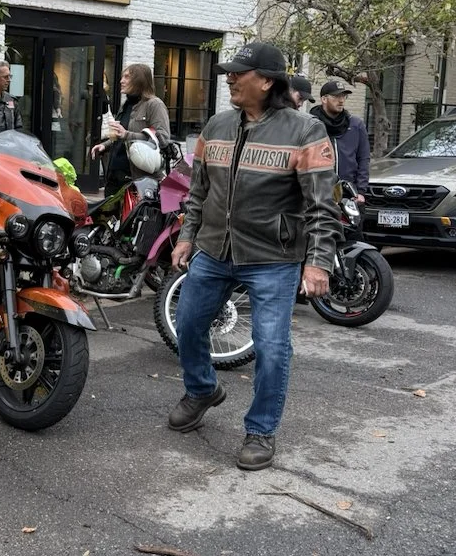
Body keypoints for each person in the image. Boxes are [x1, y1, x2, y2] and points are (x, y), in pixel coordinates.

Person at [168, 41, 340, 471]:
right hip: (213, 250)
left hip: (273, 258)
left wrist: (318, 262)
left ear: (266, 81)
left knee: (271, 347)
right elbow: (198, 191)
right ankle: (202, 390)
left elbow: (322, 206)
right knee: (187, 324)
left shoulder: (305, 131)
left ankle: (261, 429)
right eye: (228, 72)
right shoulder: (217, 125)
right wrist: (188, 236)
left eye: (238, 73)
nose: (229, 79)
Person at [91, 63, 171, 196]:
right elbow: (120, 136)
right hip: (114, 177)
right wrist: (105, 145)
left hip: (138, 181)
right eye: (122, 77)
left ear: (140, 80)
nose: (121, 81)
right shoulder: (126, 105)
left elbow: (163, 138)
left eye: (127, 77)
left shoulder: (154, 105)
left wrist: (127, 135)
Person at [311, 80, 371, 203]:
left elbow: (364, 159)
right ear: (324, 99)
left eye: (344, 96)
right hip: (317, 193)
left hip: (349, 194)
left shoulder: (356, 125)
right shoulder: (311, 124)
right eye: (336, 96)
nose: (341, 100)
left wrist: (360, 191)